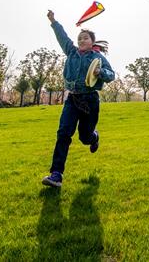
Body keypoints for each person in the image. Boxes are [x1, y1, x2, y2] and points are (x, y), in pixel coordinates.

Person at [42, 10, 115, 188]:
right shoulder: (71, 52)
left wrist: (100, 72)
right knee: (63, 133)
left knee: (84, 137)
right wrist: (53, 21)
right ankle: (56, 174)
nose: (81, 40)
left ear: (92, 42)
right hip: (72, 99)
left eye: (85, 38)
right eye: (80, 38)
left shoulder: (98, 57)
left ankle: (94, 137)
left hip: (90, 101)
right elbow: (62, 37)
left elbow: (111, 75)